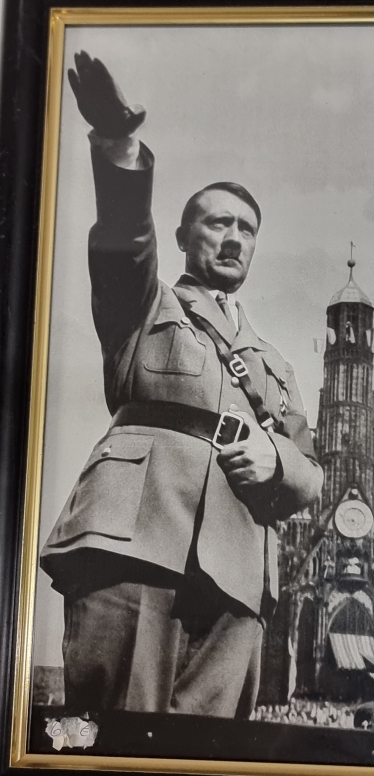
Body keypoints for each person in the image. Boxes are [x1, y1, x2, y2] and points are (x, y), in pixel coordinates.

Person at [40, 51, 322, 720]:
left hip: (237, 579)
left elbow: (311, 471)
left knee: (208, 759)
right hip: (135, 548)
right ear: (183, 235)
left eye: (246, 229)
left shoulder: (275, 364)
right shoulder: (143, 303)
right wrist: (119, 147)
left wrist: (275, 460)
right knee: (118, 740)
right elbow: (122, 237)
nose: (233, 238)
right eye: (217, 223)